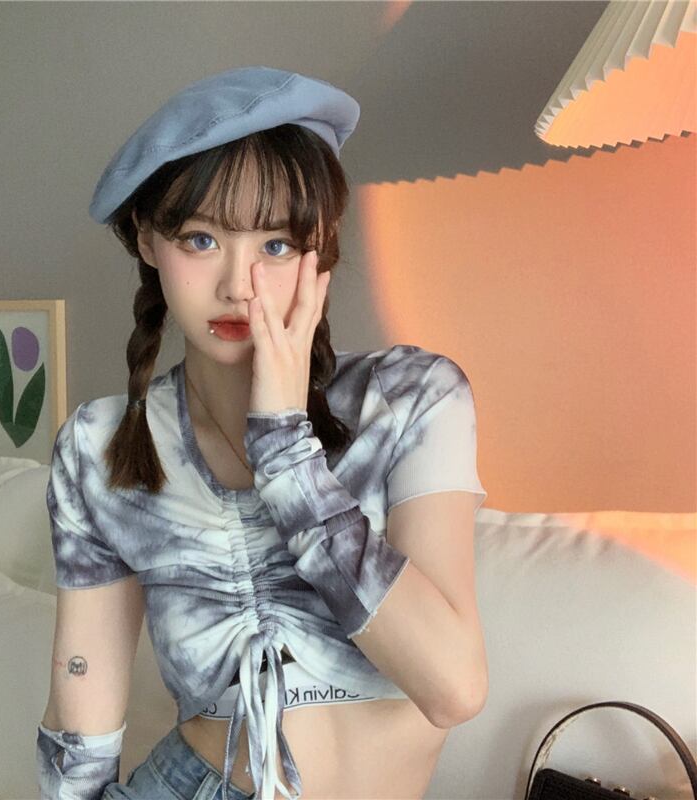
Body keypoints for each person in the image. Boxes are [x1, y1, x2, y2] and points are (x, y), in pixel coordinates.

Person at [36, 65, 488, 800]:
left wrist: (285, 448)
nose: (237, 285)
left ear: (320, 247)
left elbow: (454, 687)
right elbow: (81, 715)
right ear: (148, 240)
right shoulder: (99, 447)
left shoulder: (410, 400)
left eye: (274, 245)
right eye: (200, 239)